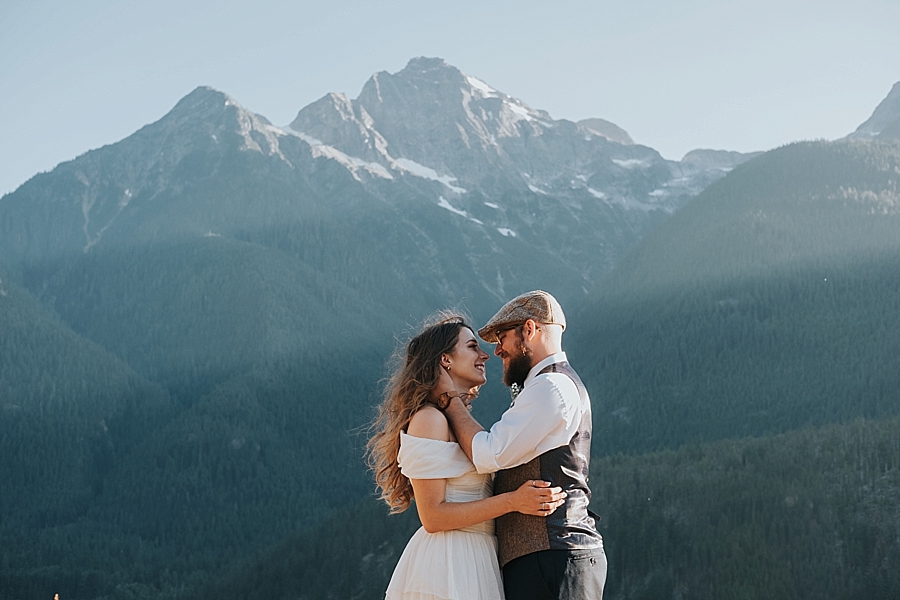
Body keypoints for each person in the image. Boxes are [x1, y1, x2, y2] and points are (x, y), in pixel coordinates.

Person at [367, 313, 568, 600]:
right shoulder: (430, 420)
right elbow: (433, 516)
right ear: (445, 360)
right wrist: (513, 501)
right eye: (473, 347)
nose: (485, 356)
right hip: (448, 562)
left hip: (477, 557)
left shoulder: (454, 422)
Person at [431, 291, 607, 600]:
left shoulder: (551, 388)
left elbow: (489, 454)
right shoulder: (546, 385)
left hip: (553, 558)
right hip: (550, 557)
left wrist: (450, 400)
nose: (496, 351)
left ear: (529, 330)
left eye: (502, 338)